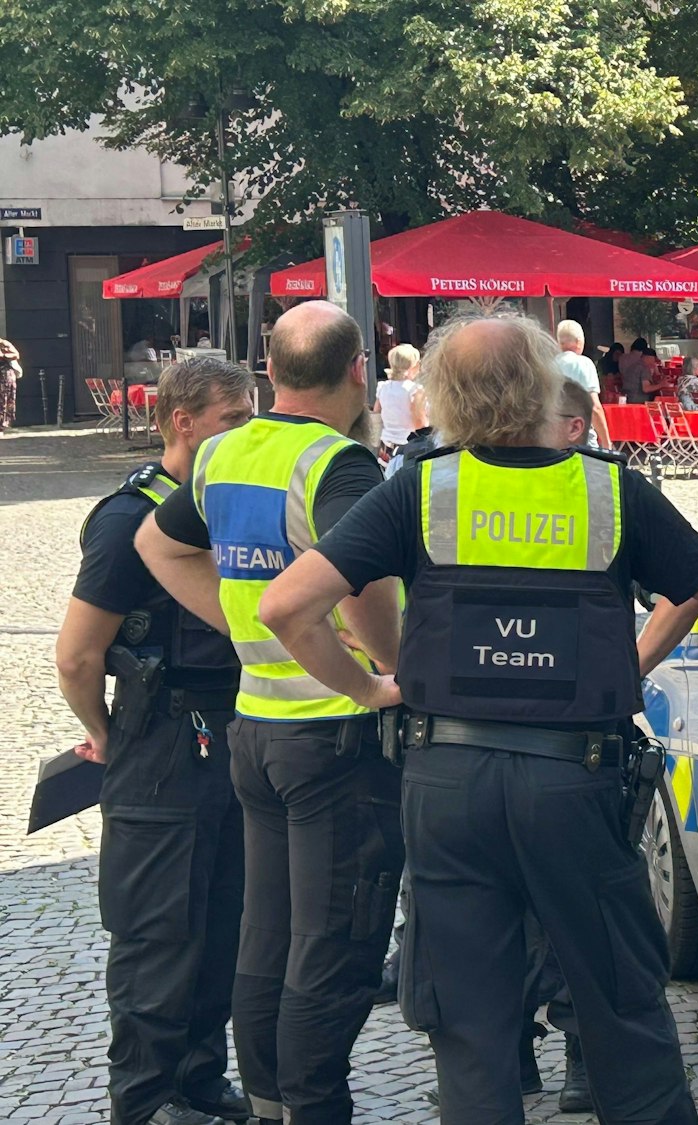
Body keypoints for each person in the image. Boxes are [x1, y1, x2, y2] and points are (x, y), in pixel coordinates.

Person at [253, 314, 698, 1125]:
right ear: (542, 386)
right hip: (577, 781)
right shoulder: (607, 488)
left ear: (443, 399)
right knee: (622, 1009)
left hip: (446, 781)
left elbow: (287, 606)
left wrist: (371, 687)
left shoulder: (421, 489)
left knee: (469, 1028)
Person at [136, 300, 406, 1125]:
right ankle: (313, 1106)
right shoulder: (338, 463)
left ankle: (268, 1102)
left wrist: (238, 619)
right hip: (334, 734)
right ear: (358, 371)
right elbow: (359, 589)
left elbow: (157, 543)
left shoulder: (222, 453)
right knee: (336, 942)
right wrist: (388, 670)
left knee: (270, 935)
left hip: (256, 724)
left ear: (271, 370)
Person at [56, 357, 258, 1125]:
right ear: (184, 421)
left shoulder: (232, 504)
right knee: (158, 936)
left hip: (232, 733)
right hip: (161, 739)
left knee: (224, 924)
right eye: (233, 418)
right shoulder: (126, 518)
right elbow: (77, 655)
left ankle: (201, 1081)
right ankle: (142, 1104)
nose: (247, 430)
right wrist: (106, 735)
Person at [553, 320, 610, 447]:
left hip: (552, 438)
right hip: (581, 436)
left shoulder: (548, 365)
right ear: (579, 341)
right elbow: (594, 408)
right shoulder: (583, 364)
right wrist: (607, 443)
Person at [374, 344, 427, 459]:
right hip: (407, 446)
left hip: (386, 445)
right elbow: (420, 423)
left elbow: (376, 413)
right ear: (414, 366)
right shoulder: (415, 390)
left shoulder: (383, 387)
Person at [618, 337, 650, 403]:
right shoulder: (641, 360)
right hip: (638, 393)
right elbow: (646, 388)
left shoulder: (622, 357)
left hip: (624, 389)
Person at [1, 337, 20, 430]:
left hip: (5, 376)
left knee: (4, 399)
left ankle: (2, 425)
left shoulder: (4, 344)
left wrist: (3, 355)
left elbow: (16, 354)